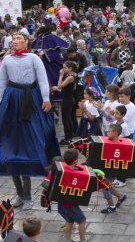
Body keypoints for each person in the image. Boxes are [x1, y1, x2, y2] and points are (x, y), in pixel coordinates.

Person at [0, 32, 60, 211]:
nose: (15, 42)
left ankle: (28, 195)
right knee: (12, 149)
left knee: (28, 146)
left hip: (31, 100)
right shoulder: (7, 60)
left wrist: (46, 98)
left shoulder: (34, 58)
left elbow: (42, 79)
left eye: (19, 39)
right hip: (12, 100)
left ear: (26, 42)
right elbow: (2, 83)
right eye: (14, 39)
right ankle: (20, 194)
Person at [57, 149, 87, 242]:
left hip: (61, 203)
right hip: (70, 205)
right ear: (75, 161)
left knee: (70, 220)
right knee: (82, 220)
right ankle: (83, 240)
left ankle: (67, 239)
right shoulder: (73, 174)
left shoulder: (61, 168)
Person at [100, 124, 128, 214]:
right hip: (105, 169)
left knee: (104, 186)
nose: (107, 133)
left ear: (115, 133)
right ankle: (121, 197)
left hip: (112, 170)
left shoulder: (119, 145)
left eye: (109, 131)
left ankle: (111, 207)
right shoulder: (107, 141)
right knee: (107, 185)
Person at [55, 60, 78, 145]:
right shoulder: (70, 76)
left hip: (67, 100)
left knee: (66, 119)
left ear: (70, 68)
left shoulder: (70, 77)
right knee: (68, 118)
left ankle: (67, 138)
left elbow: (60, 86)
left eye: (65, 67)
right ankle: (69, 137)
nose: (63, 69)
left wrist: (60, 75)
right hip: (67, 98)